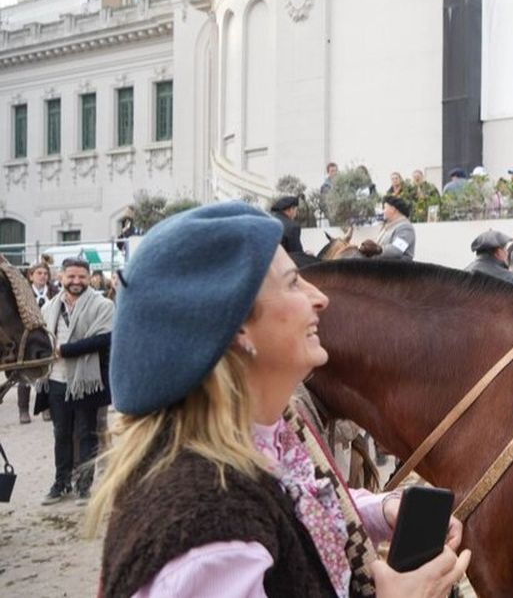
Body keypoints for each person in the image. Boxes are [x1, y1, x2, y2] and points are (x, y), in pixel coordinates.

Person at [85, 202, 469, 597]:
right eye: (292, 283)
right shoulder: (212, 538)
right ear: (236, 328)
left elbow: (300, 501)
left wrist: (380, 511)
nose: (319, 297)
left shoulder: (269, 436)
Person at [38, 258, 113, 503]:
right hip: (57, 379)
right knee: (61, 434)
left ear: (89, 277)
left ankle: (83, 486)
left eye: (81, 277)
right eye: (71, 276)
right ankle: (61, 484)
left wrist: (66, 350)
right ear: (61, 277)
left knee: (86, 434)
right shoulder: (50, 307)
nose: (76, 281)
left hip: (87, 380)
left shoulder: (103, 305)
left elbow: (105, 339)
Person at [17, 263, 58, 423]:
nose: (43, 276)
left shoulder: (54, 292)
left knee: (45, 372)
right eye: (39, 273)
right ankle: (23, 409)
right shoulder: (22, 293)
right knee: (24, 374)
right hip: (27, 338)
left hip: (47, 336)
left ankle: (45, 407)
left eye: (45, 273)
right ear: (31, 276)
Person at [361, 196, 416, 261]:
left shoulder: (405, 227)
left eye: (384, 208)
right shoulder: (388, 227)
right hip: (381, 268)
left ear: (393, 209)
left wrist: (377, 249)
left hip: (397, 269)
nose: (383, 211)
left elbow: (396, 250)